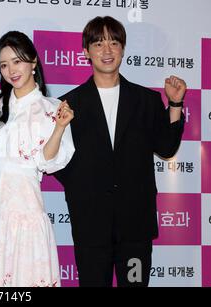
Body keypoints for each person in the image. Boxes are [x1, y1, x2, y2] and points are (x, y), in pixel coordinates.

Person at [53, 16, 187, 287]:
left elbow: (166, 147)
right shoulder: (69, 104)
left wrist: (174, 103)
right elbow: (58, 160)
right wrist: (85, 188)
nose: (107, 50)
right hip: (91, 225)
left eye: (114, 43)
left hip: (134, 225)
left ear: (123, 49)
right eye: (99, 43)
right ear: (85, 52)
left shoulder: (146, 101)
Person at [0, 31, 75, 287]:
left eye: (17, 61)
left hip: (24, 206)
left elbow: (46, 162)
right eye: (4, 65)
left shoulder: (52, 108)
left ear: (33, 61)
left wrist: (60, 127)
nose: (11, 70)